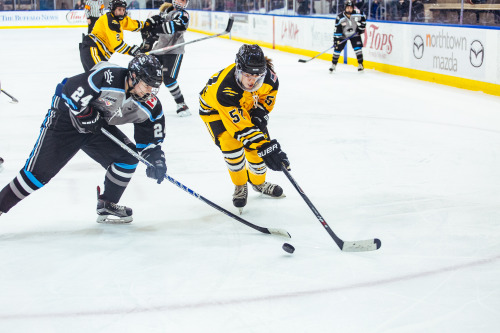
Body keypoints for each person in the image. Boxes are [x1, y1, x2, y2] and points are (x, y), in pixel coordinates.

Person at [0, 55, 167, 223]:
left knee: (128, 157)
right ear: (133, 77)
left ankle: (107, 203)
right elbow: (70, 89)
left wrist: (156, 160)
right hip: (67, 118)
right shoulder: (108, 77)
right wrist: (85, 114)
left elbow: (150, 140)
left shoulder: (150, 106)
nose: (149, 92)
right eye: (146, 85)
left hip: (96, 125)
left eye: (154, 88)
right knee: (36, 175)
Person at [198, 44, 290, 213]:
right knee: (231, 145)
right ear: (238, 70)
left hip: (245, 106)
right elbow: (240, 129)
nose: (252, 81)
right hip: (216, 111)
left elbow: (267, 98)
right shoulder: (225, 89)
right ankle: (240, 184)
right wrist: (265, 146)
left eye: (257, 76)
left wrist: (260, 114)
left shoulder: (270, 78)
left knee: (257, 152)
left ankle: (258, 183)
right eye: (248, 75)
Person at [140, 0, 191, 117]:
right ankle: (142, 100)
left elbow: (173, 26)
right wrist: (147, 42)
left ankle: (181, 104)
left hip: (174, 51)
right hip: (159, 49)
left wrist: (155, 27)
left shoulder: (183, 15)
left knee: (169, 79)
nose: (180, 3)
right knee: (146, 74)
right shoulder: (162, 13)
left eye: (183, 1)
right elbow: (152, 32)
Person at [79, 0, 161, 72]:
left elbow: (133, 25)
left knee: (97, 81)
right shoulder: (110, 20)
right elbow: (117, 45)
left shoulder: (120, 19)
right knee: (98, 76)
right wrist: (132, 51)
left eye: (123, 10)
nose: (122, 12)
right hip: (92, 48)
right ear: (113, 9)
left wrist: (148, 24)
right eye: (119, 10)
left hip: (101, 53)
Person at [329, 0, 366, 73]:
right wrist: (336, 40)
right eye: (347, 7)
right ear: (345, 8)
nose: (349, 9)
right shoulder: (340, 17)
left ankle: (360, 64)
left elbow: (363, 18)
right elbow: (337, 29)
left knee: (358, 49)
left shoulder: (357, 14)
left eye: (351, 7)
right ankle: (333, 64)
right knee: (337, 49)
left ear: (353, 8)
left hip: (354, 34)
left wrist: (361, 29)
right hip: (343, 35)